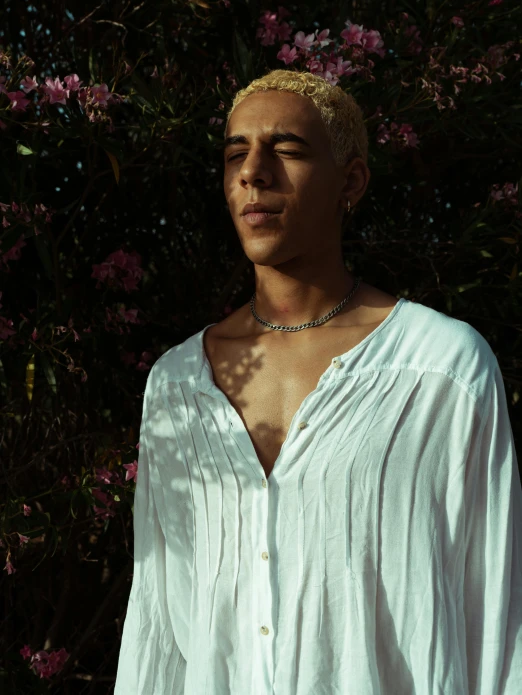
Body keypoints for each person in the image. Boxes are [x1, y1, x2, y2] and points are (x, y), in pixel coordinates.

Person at [114, 70, 522, 694]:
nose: (254, 171)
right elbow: (159, 629)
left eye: (288, 150)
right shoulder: (175, 387)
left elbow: (493, 614)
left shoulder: (441, 371)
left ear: (350, 181)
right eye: (234, 154)